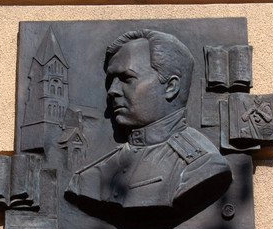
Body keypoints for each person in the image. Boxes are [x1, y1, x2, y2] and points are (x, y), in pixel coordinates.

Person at [65, 29, 231, 215]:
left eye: (127, 78)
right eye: (111, 80)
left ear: (170, 87)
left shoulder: (202, 166)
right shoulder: (89, 177)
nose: (112, 90)